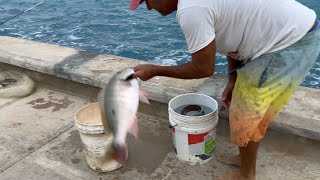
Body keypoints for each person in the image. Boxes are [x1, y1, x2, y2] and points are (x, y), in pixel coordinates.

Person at [129, 0, 320, 179]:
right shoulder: (198, 7)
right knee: (244, 107)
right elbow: (233, 41)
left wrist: (155, 70)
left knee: (247, 114)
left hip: (292, 41)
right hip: (291, 32)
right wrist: (232, 79)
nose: (148, 8)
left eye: (146, 1)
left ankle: (247, 175)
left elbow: (203, 68)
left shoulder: (191, 10)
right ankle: (244, 159)